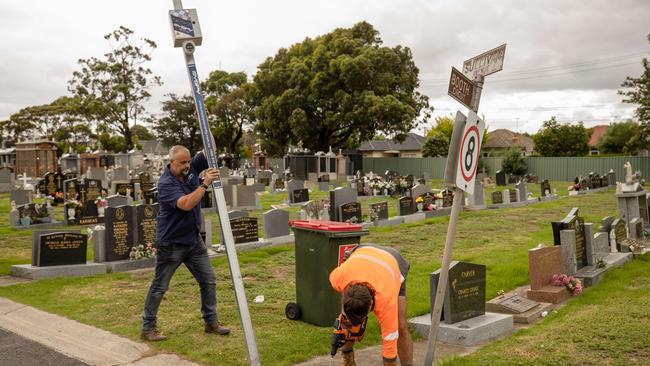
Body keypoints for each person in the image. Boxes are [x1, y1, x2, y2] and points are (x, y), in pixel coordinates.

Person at [141, 145, 230, 341]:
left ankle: (211, 322)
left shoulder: (190, 169)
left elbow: (210, 149)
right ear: (171, 162)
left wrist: (207, 117)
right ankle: (148, 328)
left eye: (189, 161)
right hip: (171, 244)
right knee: (160, 287)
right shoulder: (165, 184)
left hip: (193, 241)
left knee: (208, 280)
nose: (187, 165)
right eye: (182, 163)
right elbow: (186, 204)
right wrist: (205, 183)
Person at [329, 244, 413, 366]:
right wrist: (345, 318)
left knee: (401, 325)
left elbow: (389, 357)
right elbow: (346, 298)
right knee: (346, 320)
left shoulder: (386, 301)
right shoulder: (338, 278)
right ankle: (347, 357)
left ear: (371, 306)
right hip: (362, 251)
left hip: (392, 262)